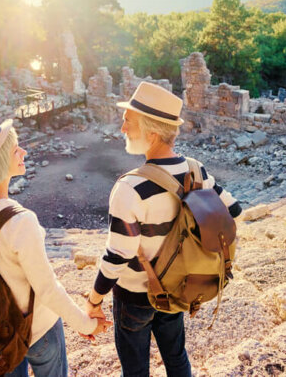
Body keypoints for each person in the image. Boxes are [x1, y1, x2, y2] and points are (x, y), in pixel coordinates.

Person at [84, 82, 242, 377]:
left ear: (152, 133)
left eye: (128, 122)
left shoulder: (129, 187)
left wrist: (94, 300)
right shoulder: (196, 169)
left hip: (134, 296)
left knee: (135, 370)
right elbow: (233, 211)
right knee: (176, 357)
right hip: (178, 286)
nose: (122, 128)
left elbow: (118, 256)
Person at [0, 117, 111, 376]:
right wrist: (85, 323)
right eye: (16, 149)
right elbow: (47, 288)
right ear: (1, 162)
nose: (23, 152)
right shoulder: (21, 220)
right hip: (37, 331)